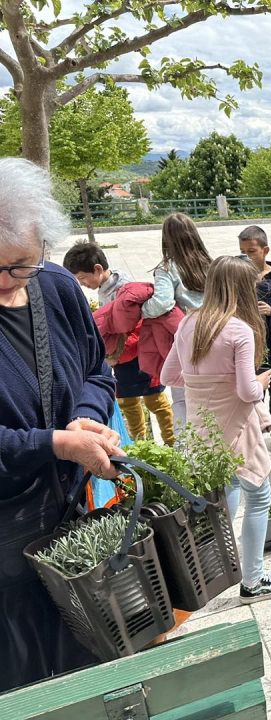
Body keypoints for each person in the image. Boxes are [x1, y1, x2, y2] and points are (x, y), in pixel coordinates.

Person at [0, 158, 119, 691]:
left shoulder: (58, 289)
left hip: (71, 515)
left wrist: (87, 420)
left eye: (19, 266)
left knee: (89, 654)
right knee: (23, 675)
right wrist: (54, 443)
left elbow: (97, 369)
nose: (6, 284)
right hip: (7, 536)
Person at [161, 256, 271, 604]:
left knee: (222, 496)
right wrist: (261, 379)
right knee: (258, 494)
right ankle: (252, 580)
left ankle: (213, 570)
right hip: (237, 426)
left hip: (202, 428)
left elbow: (168, 377)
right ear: (242, 288)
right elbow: (248, 393)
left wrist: (205, 384)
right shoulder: (239, 329)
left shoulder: (189, 322)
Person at [64, 243, 176, 446]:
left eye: (82, 278)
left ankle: (172, 441)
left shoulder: (123, 288)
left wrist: (114, 352)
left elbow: (133, 326)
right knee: (128, 401)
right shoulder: (105, 286)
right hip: (123, 356)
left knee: (155, 399)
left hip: (138, 353)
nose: (82, 284)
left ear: (97, 269)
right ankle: (141, 443)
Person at [142, 213, 211, 430]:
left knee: (182, 401)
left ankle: (187, 455)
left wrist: (142, 311)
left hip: (185, 342)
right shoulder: (210, 263)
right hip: (213, 333)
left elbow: (162, 303)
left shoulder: (168, 268)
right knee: (212, 396)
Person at [238, 225, 271, 452]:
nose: (247, 256)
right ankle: (253, 433)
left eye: (251, 251)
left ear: (265, 250)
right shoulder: (239, 277)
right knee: (252, 392)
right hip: (249, 346)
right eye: (242, 251)